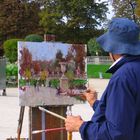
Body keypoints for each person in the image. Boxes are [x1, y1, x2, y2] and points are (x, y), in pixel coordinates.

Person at [65, 18, 140, 140]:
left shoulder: (123, 76)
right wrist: (95, 103)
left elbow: (116, 134)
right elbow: (127, 112)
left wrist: (81, 126)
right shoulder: (134, 70)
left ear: (112, 48)